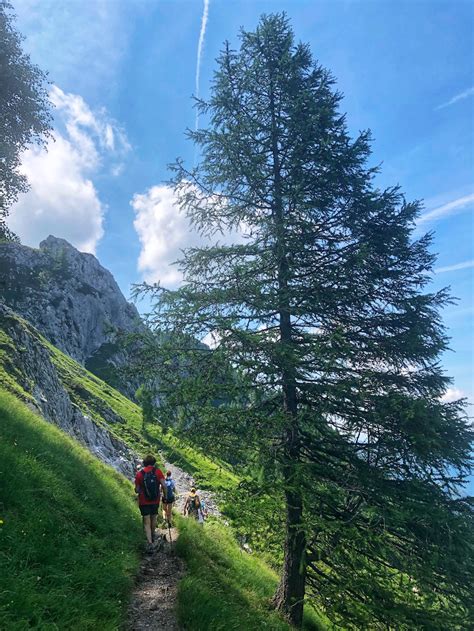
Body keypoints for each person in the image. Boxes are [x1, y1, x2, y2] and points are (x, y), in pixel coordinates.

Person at [134, 455, 167, 552]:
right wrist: (165, 497)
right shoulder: (158, 471)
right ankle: (153, 535)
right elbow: (164, 485)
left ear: (144, 463)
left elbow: (137, 490)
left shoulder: (140, 474)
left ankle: (150, 543)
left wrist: (138, 489)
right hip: (155, 501)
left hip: (144, 501)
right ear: (154, 463)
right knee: (153, 518)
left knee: (146, 522)